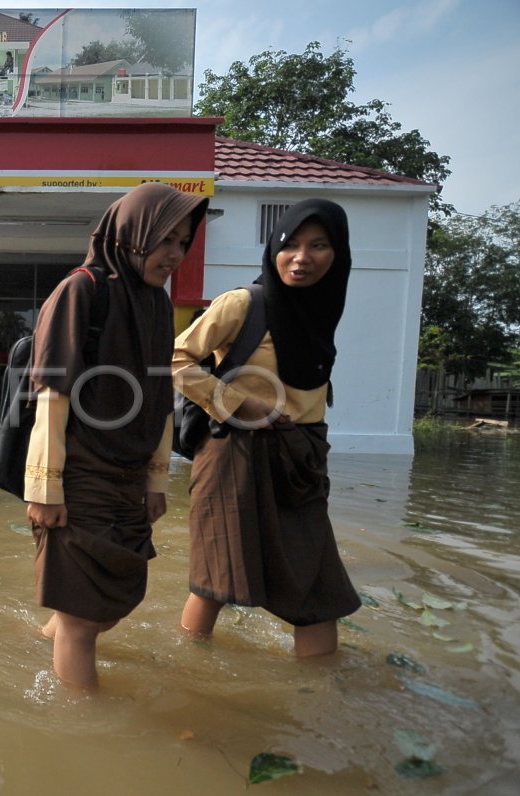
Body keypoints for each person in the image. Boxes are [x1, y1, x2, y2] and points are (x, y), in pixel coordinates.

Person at [25, 183, 209, 691]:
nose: (174, 253)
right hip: (79, 472)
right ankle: (83, 731)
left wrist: (156, 481)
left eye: (182, 242)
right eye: (164, 239)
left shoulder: (155, 305)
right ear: (131, 235)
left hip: (129, 478)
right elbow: (51, 397)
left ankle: (46, 637)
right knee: (85, 621)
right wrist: (44, 489)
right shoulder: (81, 290)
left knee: (114, 605)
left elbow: (158, 398)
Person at [171, 198, 360, 657]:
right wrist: (240, 403)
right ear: (273, 248)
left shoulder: (322, 311)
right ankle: (191, 680)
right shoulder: (242, 304)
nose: (302, 257)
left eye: (318, 245)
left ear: (339, 254)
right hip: (234, 452)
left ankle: (316, 714)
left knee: (318, 592)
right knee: (216, 581)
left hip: (301, 457)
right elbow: (173, 360)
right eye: (290, 244)